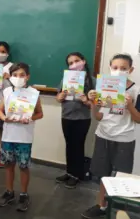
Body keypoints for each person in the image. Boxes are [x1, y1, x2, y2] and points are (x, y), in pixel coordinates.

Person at [81, 54, 140, 219]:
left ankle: (120, 209)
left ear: (131, 70)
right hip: (103, 135)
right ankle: (101, 205)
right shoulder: (105, 88)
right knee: (103, 174)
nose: (118, 71)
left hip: (124, 139)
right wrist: (93, 104)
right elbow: (99, 117)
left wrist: (129, 105)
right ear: (109, 68)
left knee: (122, 175)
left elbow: (138, 119)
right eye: (115, 68)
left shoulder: (136, 90)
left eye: (123, 68)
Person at [0, 63, 43, 212]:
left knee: (23, 166)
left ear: (27, 76)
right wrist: (4, 118)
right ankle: (9, 192)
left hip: (24, 137)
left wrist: (30, 118)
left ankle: (24, 194)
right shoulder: (7, 91)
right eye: (15, 75)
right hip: (8, 135)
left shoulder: (34, 93)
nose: (18, 78)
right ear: (10, 77)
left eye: (22, 75)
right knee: (8, 165)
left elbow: (40, 113)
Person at [55, 52, 95, 189]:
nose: (74, 64)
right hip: (66, 116)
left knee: (78, 146)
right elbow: (58, 97)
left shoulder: (92, 80)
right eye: (71, 63)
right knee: (69, 145)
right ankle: (69, 172)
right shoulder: (66, 79)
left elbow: (95, 104)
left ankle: (76, 175)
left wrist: (86, 100)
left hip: (82, 119)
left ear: (83, 61)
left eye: (76, 61)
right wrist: (60, 96)